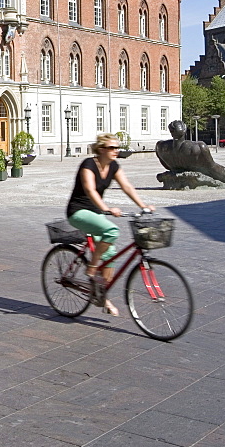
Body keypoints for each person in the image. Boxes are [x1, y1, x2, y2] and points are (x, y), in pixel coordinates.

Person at [66, 134, 153, 316]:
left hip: (96, 214)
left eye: (117, 148)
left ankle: (100, 295)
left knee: (111, 254)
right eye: (112, 148)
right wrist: (106, 208)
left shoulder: (113, 166)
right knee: (111, 230)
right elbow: (89, 190)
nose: (116, 151)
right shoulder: (88, 165)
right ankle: (91, 268)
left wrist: (143, 206)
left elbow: (127, 186)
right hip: (78, 212)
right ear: (102, 149)